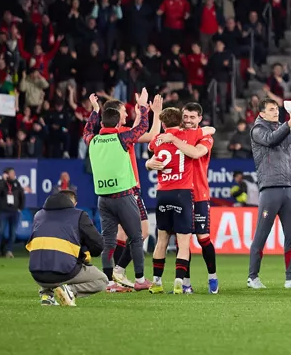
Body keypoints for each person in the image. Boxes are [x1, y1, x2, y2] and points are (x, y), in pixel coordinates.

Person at [82, 90, 159, 289]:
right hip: (124, 195)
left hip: (103, 199)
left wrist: (95, 110)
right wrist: (142, 106)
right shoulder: (122, 138)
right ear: (117, 123)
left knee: (109, 241)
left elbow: (87, 130)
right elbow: (143, 127)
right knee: (136, 237)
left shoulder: (93, 140)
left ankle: (108, 283)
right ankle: (140, 279)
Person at [246, 98, 291, 289]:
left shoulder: (283, 129)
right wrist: (290, 123)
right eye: (271, 109)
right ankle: (253, 277)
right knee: (262, 234)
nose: (276, 112)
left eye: (276, 109)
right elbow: (271, 140)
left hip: (290, 187)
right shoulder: (258, 130)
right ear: (261, 113)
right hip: (270, 189)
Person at [145, 105, 211, 295]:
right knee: (183, 242)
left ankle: (157, 282)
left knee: (161, 240)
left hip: (162, 193)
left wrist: (149, 162)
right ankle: (179, 283)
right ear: (181, 121)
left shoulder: (157, 140)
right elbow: (208, 130)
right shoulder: (188, 136)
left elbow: (151, 143)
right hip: (183, 193)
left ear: (164, 123)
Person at [27, 187, 107, 307]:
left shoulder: (39, 215)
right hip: (64, 273)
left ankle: (46, 295)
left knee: (48, 254)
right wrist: (85, 252)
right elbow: (98, 245)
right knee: (102, 280)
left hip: (37, 274)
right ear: (73, 203)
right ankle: (69, 291)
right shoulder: (78, 215)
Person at [181, 103, 220, 294]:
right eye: (185, 116)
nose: (188, 120)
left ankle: (213, 277)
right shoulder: (178, 134)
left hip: (199, 194)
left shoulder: (206, 137)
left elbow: (196, 153)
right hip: (180, 193)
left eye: (192, 117)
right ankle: (186, 283)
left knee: (203, 238)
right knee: (183, 240)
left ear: (199, 119)